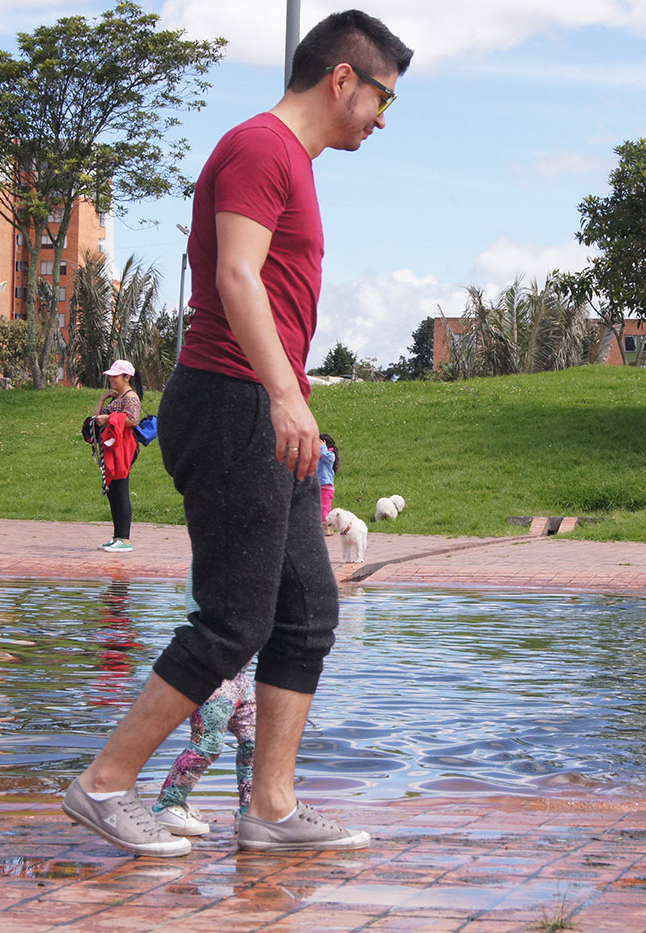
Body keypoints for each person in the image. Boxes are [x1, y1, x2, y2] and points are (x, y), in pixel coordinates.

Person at [62, 10, 413, 858]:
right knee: (233, 619)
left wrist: (289, 400)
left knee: (307, 612)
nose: (381, 118)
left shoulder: (290, 159)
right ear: (342, 79)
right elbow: (234, 274)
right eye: (383, 98)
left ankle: (271, 808)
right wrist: (286, 395)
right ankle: (105, 782)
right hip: (233, 399)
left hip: (261, 403)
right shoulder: (260, 147)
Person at [151, 576, 256, 836]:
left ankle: (251, 810)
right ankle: (167, 805)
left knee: (257, 742)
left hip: (241, 679)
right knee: (207, 745)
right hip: (214, 675)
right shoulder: (220, 573)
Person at [92, 360, 142, 553]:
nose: (112, 379)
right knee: (113, 491)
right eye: (111, 376)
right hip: (112, 449)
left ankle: (125, 538)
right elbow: (96, 419)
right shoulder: (118, 398)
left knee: (120, 491)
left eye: (115, 376)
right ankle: (117, 537)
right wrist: (102, 400)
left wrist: (109, 418)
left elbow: (133, 420)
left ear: (126, 377)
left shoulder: (131, 397)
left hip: (124, 449)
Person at [319, 433, 338, 526]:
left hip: (326, 486)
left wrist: (322, 447)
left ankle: (326, 527)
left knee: (324, 509)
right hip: (317, 486)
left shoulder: (330, 455)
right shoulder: (319, 456)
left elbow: (327, 456)